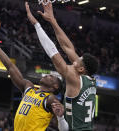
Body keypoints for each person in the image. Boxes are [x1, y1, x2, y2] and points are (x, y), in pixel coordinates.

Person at [25, 1, 99, 130]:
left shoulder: (74, 79)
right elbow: (67, 47)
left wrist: (37, 25)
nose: (74, 60)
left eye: (77, 60)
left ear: (81, 69)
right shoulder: (90, 80)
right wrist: (52, 20)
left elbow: (53, 53)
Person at [0, 29, 63, 131]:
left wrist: (60, 116)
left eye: (51, 77)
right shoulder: (28, 88)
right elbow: (9, 66)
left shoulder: (50, 98)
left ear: (55, 86)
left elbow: (63, 119)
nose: (47, 75)